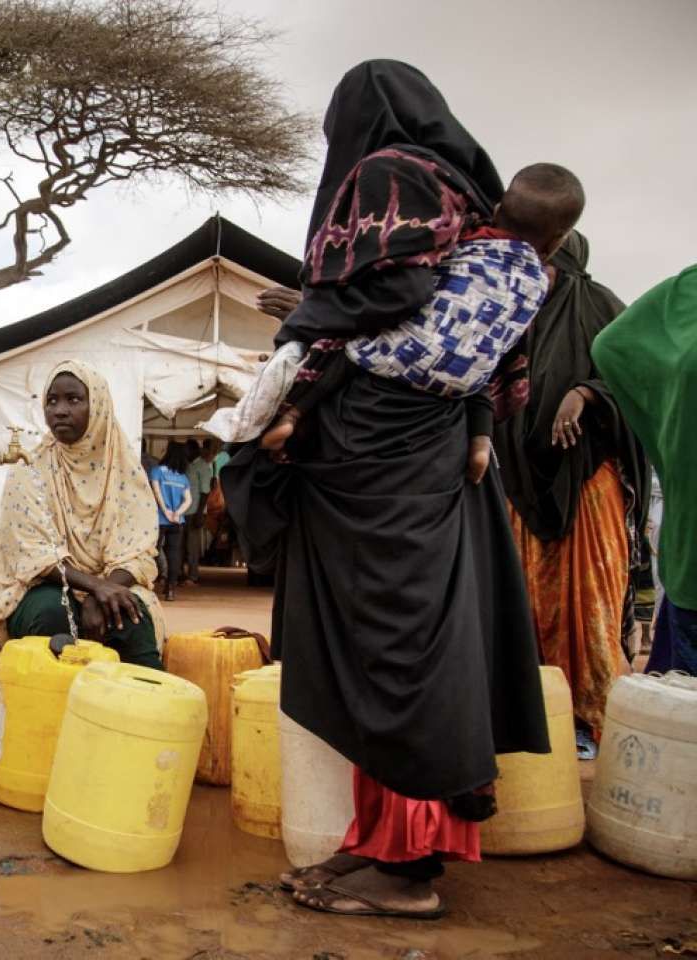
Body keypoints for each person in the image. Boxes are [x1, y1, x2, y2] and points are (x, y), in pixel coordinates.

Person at [222, 60, 548, 919]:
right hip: (428, 458)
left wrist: (304, 321)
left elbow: (393, 288)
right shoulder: (473, 208)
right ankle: (378, 845)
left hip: (382, 462)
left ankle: (411, 872)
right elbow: (472, 344)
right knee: (385, 647)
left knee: (393, 651)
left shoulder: (388, 176)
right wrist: (476, 430)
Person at [256, 164, 585, 452]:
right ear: (556, 242)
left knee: (342, 348)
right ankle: (481, 446)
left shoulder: (462, 240)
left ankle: (292, 414)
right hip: (461, 386)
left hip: (389, 362)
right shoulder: (538, 284)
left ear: (497, 210)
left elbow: (403, 287)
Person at [494, 231, 648, 746]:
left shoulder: (605, 309)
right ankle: (543, 717)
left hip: (587, 483)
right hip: (522, 483)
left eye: (546, 263)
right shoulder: (515, 312)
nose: (538, 273)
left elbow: (639, 376)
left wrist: (586, 393)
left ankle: (594, 715)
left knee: (590, 604)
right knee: (530, 603)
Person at [0, 361, 164, 669]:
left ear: (97, 405)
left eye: (73, 399)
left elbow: (137, 550)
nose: (59, 410)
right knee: (53, 613)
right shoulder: (29, 470)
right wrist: (95, 587)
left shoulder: (125, 469)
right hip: (44, 584)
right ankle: (46, 707)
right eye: (52, 400)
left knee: (128, 616)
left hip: (111, 580)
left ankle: (142, 707)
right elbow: (35, 556)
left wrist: (104, 591)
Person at [592, 265, 697, 674]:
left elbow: (613, 347)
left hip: (689, 541)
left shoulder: (685, 292)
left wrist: (665, 440)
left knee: (677, 711)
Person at [150, 442, 192, 602]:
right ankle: (170, 590)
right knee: (174, 554)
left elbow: (156, 491)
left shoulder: (157, 471)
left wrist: (165, 510)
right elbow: (188, 500)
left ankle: (149, 585)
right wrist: (177, 513)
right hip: (176, 521)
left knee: (152, 552)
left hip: (159, 519)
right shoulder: (183, 477)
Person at [182, 439, 215, 584]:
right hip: (183, 511)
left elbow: (205, 492)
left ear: (194, 450)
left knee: (192, 546)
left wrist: (200, 513)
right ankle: (181, 574)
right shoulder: (188, 465)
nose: (185, 453)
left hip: (194, 511)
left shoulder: (202, 466)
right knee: (182, 545)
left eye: (187, 450)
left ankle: (193, 576)